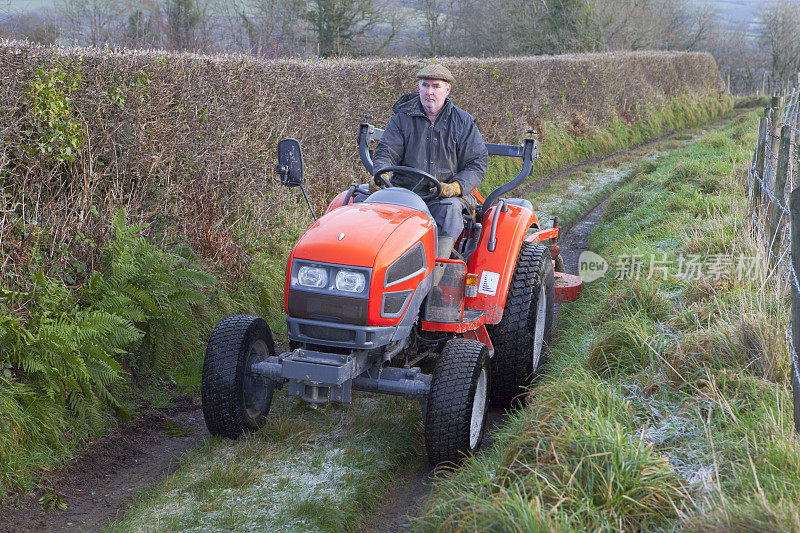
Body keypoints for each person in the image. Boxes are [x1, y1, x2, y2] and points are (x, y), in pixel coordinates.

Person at [370, 64, 489, 263]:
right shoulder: (401, 119)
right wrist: (382, 175)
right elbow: (386, 152)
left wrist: (456, 187)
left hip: (444, 196)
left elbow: (477, 163)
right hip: (406, 193)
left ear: (447, 90)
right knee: (369, 203)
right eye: (425, 85)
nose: (429, 92)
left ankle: (436, 270)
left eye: (436, 86)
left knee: (450, 209)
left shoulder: (463, 122)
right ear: (419, 88)